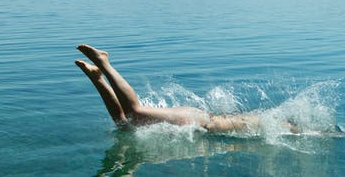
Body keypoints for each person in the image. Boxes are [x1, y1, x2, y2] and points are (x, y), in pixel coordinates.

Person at [75, 44, 295, 134]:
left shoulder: (261, 121)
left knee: (125, 124)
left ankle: (97, 78)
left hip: (199, 120)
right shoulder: (271, 124)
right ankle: (104, 63)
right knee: (137, 112)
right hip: (198, 120)